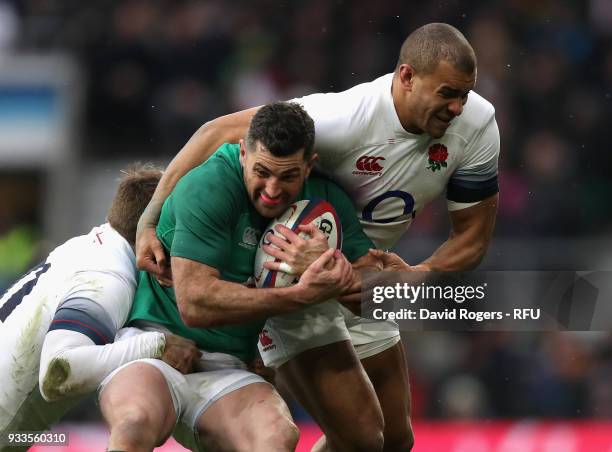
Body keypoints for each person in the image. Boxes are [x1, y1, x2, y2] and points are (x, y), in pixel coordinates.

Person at [136, 22, 500, 451]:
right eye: (447, 94)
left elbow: (472, 240)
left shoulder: (477, 125)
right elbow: (217, 131)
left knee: (397, 440)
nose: (458, 106)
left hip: (362, 279)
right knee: (364, 439)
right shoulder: (343, 120)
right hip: (291, 270)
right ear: (406, 77)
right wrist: (148, 219)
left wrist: (414, 276)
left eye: (464, 94)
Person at [98, 102, 379, 452]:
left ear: (310, 166)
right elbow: (195, 304)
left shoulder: (325, 202)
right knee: (135, 423)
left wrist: (336, 268)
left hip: (228, 366)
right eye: (262, 171)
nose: (273, 190)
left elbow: (381, 291)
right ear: (243, 153)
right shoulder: (209, 184)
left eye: (288, 176)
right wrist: (303, 294)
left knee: (285, 437)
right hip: (155, 344)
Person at [0, 164, 200, 452]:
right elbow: (59, 371)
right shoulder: (108, 277)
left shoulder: (90, 246)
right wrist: (158, 345)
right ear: (157, 231)